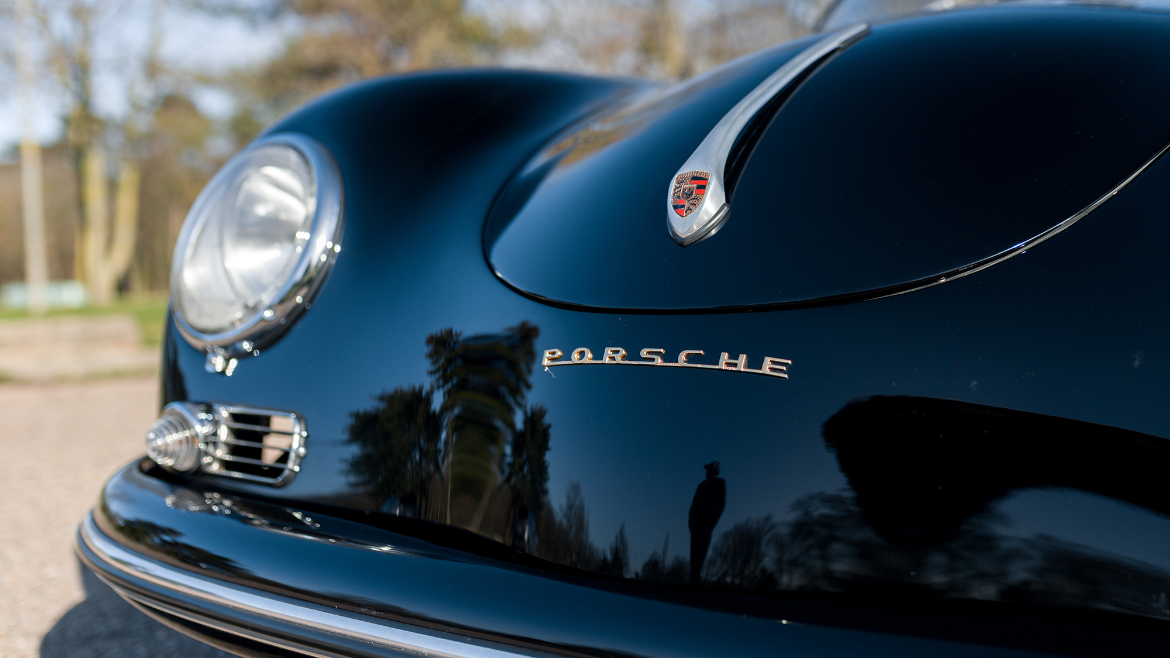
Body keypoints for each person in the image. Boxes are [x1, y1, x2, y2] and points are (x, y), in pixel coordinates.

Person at [688, 461, 726, 584]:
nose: (707, 472)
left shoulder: (720, 484)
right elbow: (694, 505)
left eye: (709, 469)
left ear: (715, 471)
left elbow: (720, 505)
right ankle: (693, 583)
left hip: (706, 527)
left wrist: (710, 523)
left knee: (699, 558)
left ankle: (695, 586)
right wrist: (691, 524)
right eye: (707, 469)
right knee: (693, 559)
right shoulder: (701, 485)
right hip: (696, 527)